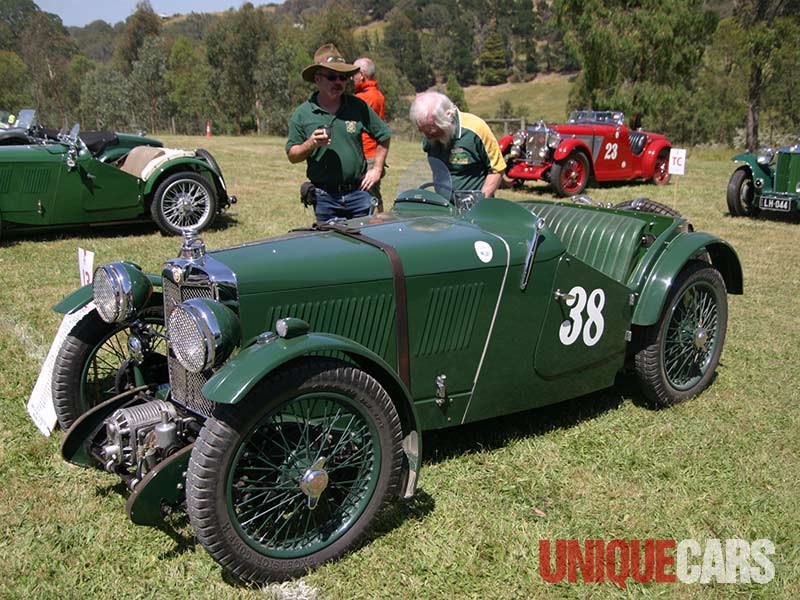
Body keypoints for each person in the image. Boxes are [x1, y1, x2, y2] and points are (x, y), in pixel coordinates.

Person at [286, 44, 391, 223]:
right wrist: (311, 143)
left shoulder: (357, 106)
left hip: (359, 193)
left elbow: (384, 135)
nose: (339, 82)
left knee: (366, 245)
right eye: (332, 77)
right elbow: (292, 155)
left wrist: (377, 169)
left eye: (343, 77)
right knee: (330, 247)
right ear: (317, 79)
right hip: (325, 197)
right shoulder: (303, 114)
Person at [409, 91, 506, 198]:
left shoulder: (476, 129)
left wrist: (480, 201)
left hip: (475, 209)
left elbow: (497, 169)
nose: (428, 136)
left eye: (431, 130)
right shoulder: (430, 136)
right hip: (444, 208)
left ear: (448, 117)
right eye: (423, 131)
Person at [353, 56, 386, 210]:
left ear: (362, 74)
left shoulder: (364, 98)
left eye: (354, 73)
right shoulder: (377, 94)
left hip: (368, 153)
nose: (351, 78)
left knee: (370, 196)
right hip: (373, 152)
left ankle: (377, 226)